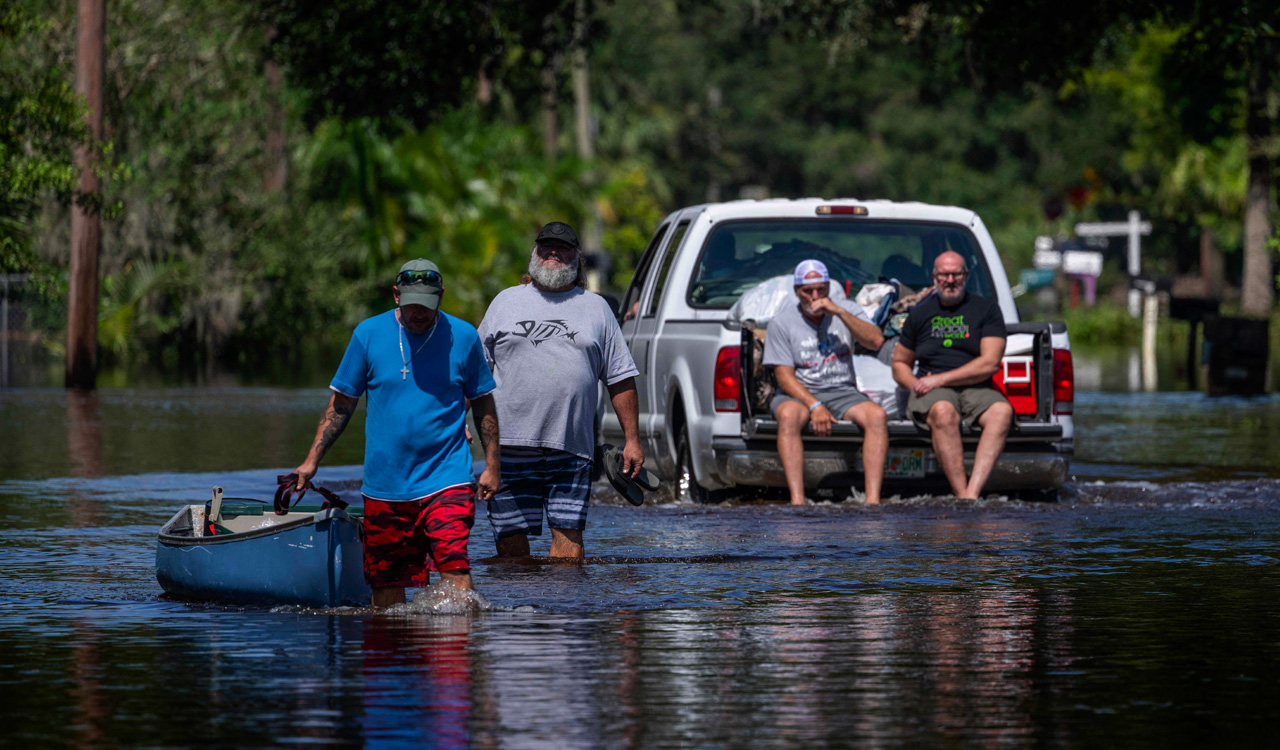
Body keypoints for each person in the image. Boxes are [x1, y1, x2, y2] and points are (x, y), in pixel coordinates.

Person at [291, 259, 501, 607]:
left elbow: (483, 404)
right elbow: (341, 405)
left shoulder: (462, 337)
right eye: (412, 304)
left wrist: (492, 466)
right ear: (395, 296)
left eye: (428, 305)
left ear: (441, 297)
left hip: (446, 477)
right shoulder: (368, 335)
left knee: (454, 566)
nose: (419, 313)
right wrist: (311, 461)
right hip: (385, 486)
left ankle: (453, 655)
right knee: (386, 589)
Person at [477, 221, 643, 560]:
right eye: (546, 246)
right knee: (510, 543)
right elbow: (473, 374)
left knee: (569, 543)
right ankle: (519, 610)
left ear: (578, 258)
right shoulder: (505, 302)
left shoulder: (596, 308)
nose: (553, 252)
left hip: (571, 446)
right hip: (507, 445)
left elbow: (621, 378)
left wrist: (633, 440)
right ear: (534, 253)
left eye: (563, 247)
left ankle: (564, 611)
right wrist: (458, 424)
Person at [762, 259, 889, 505]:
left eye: (821, 290)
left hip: (842, 390)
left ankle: (872, 500)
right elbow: (784, 377)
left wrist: (840, 312)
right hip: (799, 391)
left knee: (877, 417)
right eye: (808, 291)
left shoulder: (845, 309)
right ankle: (797, 499)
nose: (815, 297)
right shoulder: (782, 322)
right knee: (788, 415)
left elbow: (875, 341)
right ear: (797, 291)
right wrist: (814, 405)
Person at [891, 250, 1013, 499]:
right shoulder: (919, 313)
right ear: (934, 277)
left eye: (956, 274)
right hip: (932, 393)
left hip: (976, 388)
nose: (950, 280)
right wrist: (915, 384)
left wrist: (941, 378)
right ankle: (963, 495)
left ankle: (971, 493)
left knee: (1002, 411)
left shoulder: (986, 309)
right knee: (944, 410)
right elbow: (900, 364)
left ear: (965, 276)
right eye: (944, 274)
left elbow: (989, 363)